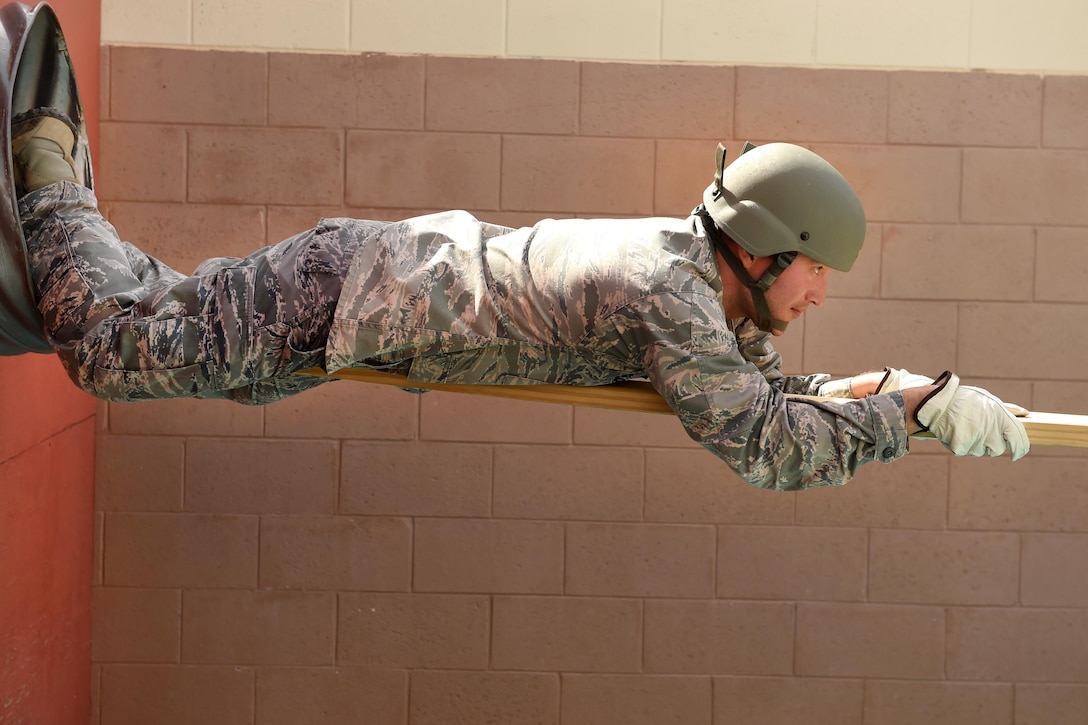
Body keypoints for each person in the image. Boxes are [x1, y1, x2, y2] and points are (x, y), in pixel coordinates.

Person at [11, 110, 1029, 491]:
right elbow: (765, 445)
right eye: (816, 270)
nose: (816, 292)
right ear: (763, 252)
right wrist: (902, 415)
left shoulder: (700, 293)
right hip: (355, 296)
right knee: (111, 353)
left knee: (165, 333)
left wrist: (902, 390)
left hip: (359, 308)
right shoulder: (669, 292)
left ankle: (64, 236)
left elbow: (782, 398)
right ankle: (47, 163)